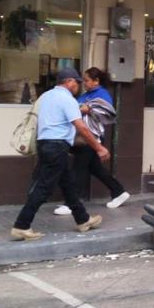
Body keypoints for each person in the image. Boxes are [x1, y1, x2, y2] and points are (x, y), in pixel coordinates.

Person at [10, 67, 108, 241]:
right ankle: (21, 225)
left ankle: (83, 219)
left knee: (68, 185)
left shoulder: (46, 96)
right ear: (68, 81)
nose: (78, 86)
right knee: (43, 187)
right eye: (77, 82)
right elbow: (82, 128)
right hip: (56, 147)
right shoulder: (66, 99)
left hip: (45, 144)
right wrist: (99, 148)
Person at [54, 67, 130, 215]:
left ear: (97, 81)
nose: (84, 83)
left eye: (87, 80)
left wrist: (87, 109)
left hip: (90, 136)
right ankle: (119, 191)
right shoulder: (86, 94)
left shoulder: (102, 94)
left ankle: (71, 203)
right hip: (84, 136)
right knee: (95, 168)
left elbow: (105, 112)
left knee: (78, 168)